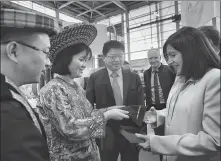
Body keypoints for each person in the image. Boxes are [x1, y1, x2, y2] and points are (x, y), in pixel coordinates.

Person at [36, 24, 129, 161]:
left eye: (86, 60)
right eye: (81, 60)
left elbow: (88, 115)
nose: (85, 65)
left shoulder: (75, 87)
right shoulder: (54, 89)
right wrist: (106, 116)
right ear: (65, 60)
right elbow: (70, 128)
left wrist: (107, 110)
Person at [136, 26, 220, 161]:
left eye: (173, 55)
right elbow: (179, 110)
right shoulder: (181, 77)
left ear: (191, 52)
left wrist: (159, 143)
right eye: (168, 56)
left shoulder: (214, 79)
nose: (169, 61)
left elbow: (213, 140)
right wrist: (158, 115)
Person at [1, 9, 59, 161]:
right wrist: (104, 117)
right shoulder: (7, 110)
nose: (48, 63)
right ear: (13, 51)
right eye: (45, 53)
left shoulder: (10, 93)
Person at [86, 40, 145, 161]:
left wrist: (141, 131)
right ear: (104, 58)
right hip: (107, 130)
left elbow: (141, 105)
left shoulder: (134, 77)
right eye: (112, 57)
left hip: (131, 130)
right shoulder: (95, 78)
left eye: (120, 56)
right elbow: (88, 107)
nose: (117, 60)